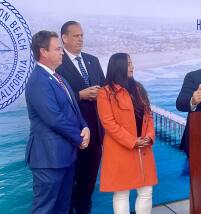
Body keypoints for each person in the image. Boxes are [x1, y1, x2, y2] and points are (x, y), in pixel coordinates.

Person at [25, 30, 90, 214]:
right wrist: (80, 138)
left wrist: (85, 127)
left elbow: (73, 109)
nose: (62, 52)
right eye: (57, 49)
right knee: (45, 209)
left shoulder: (58, 77)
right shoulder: (38, 80)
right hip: (48, 160)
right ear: (43, 52)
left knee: (63, 208)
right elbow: (54, 118)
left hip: (65, 157)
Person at [97, 53, 157, 214]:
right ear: (119, 66)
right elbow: (109, 124)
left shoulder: (138, 88)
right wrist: (132, 141)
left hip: (143, 148)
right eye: (128, 63)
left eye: (131, 63)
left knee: (146, 192)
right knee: (122, 193)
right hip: (120, 149)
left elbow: (148, 116)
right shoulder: (105, 93)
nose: (132, 66)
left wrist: (149, 137)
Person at [56, 21, 105, 213]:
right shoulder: (58, 65)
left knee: (87, 188)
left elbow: (106, 88)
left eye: (82, 35)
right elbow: (56, 100)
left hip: (95, 136)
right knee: (68, 189)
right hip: (71, 136)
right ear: (64, 38)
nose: (80, 39)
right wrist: (80, 95)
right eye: (76, 36)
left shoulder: (93, 60)